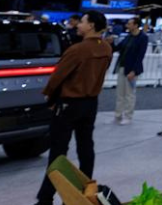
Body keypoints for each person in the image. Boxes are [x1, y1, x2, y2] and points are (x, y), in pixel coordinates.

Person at [36, 11, 113, 205]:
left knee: (58, 153)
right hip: (90, 103)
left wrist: (49, 96)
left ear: (92, 26)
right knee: (86, 147)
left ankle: (46, 197)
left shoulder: (78, 50)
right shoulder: (106, 48)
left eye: (82, 22)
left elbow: (57, 77)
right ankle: (83, 193)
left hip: (69, 104)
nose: (78, 25)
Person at [113, 17, 148, 125]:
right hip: (122, 67)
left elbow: (140, 56)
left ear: (136, 25)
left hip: (132, 70)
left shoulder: (143, 38)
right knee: (120, 93)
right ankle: (118, 115)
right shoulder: (128, 36)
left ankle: (128, 116)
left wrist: (134, 71)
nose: (127, 25)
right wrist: (110, 43)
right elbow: (118, 48)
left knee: (129, 94)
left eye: (129, 23)